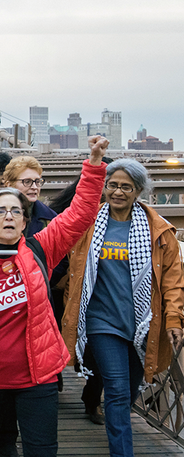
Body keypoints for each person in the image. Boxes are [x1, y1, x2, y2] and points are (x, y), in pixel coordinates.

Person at [0, 135, 109, 457]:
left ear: (25, 222)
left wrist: (94, 165)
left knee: (41, 449)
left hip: (37, 377)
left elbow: (79, 214)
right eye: (1, 211)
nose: (9, 216)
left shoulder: (41, 248)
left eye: (16, 212)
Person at [61, 158, 184, 457]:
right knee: (116, 390)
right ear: (104, 188)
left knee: (127, 392)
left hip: (144, 324)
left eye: (126, 187)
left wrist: (174, 319)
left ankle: (118, 430)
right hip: (102, 321)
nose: (118, 192)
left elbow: (172, 279)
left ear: (138, 191)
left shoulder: (159, 231)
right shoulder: (88, 225)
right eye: (112, 185)